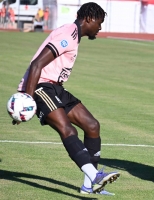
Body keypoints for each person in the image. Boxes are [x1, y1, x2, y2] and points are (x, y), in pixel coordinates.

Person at [14, 2, 120, 196]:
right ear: (89, 18)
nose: (100, 27)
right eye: (100, 22)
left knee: (92, 126)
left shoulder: (74, 35)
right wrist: (27, 100)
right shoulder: (68, 34)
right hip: (40, 86)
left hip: (55, 87)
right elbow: (37, 64)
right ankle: (94, 175)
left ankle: (89, 186)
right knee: (67, 129)